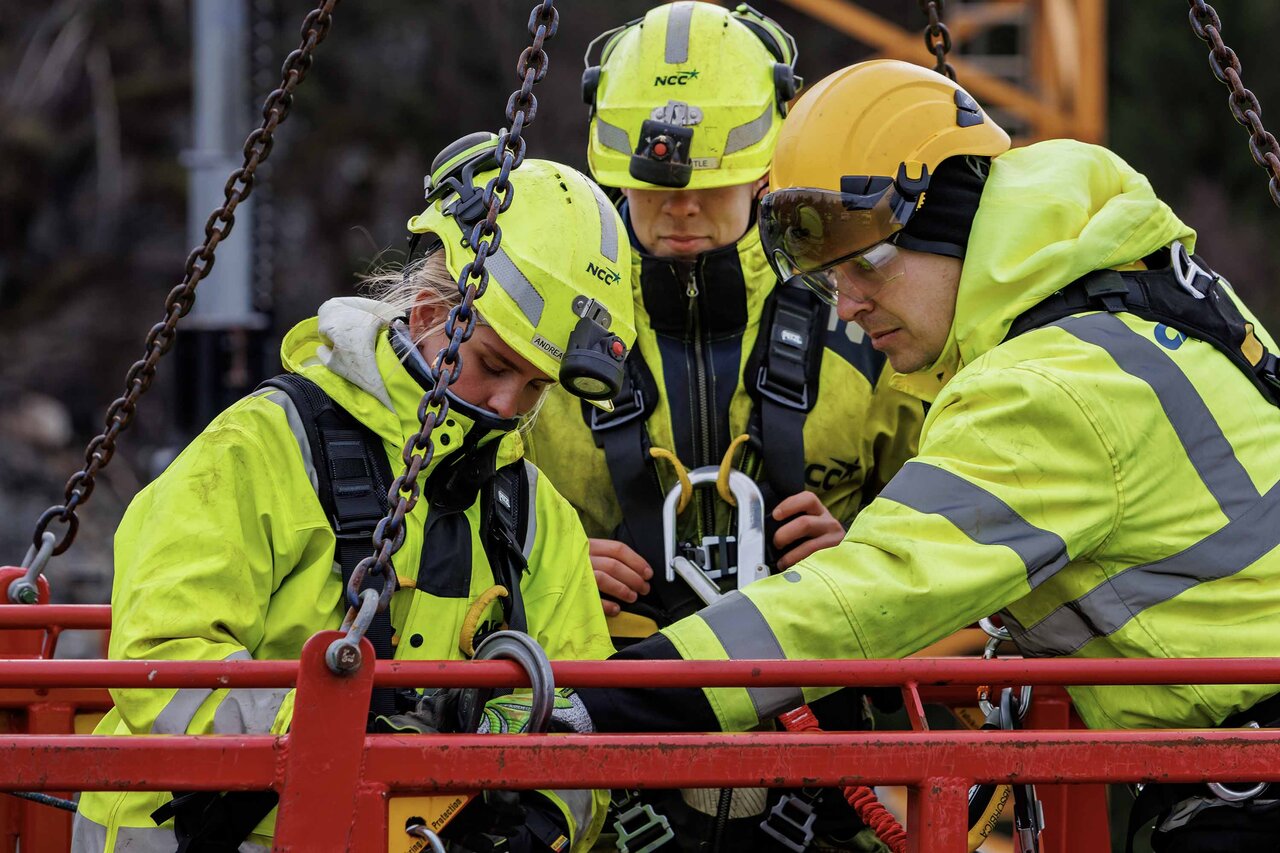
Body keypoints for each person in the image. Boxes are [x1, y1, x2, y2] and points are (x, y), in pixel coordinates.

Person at [524, 59, 1280, 852]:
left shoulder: (1050, 387)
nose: (846, 307)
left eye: (865, 265)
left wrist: (599, 702)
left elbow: (862, 601)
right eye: (826, 280)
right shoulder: (1122, 292)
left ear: (946, 224)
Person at [70, 134, 636, 853]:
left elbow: (579, 714)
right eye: (493, 364)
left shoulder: (530, 512)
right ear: (432, 309)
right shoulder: (262, 447)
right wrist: (341, 741)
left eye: (534, 387)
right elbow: (166, 659)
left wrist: (536, 827)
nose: (503, 402)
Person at [524, 5, 922, 850]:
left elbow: (956, 513)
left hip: (831, 762)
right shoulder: (543, 336)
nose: (682, 208)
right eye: (657, 187)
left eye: (714, 182)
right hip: (609, 746)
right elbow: (457, 523)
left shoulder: (864, 324)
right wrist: (548, 565)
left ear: (768, 170)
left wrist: (864, 548)